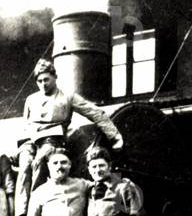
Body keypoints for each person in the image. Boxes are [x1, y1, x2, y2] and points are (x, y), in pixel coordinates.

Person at [22, 58, 123, 194]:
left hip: (53, 141)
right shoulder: (31, 99)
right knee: (24, 164)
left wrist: (114, 136)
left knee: (39, 161)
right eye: (39, 81)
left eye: (46, 80)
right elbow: (26, 125)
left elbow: (94, 112)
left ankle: (37, 200)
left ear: (55, 77)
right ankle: (21, 207)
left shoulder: (67, 97)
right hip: (32, 141)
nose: (43, 84)